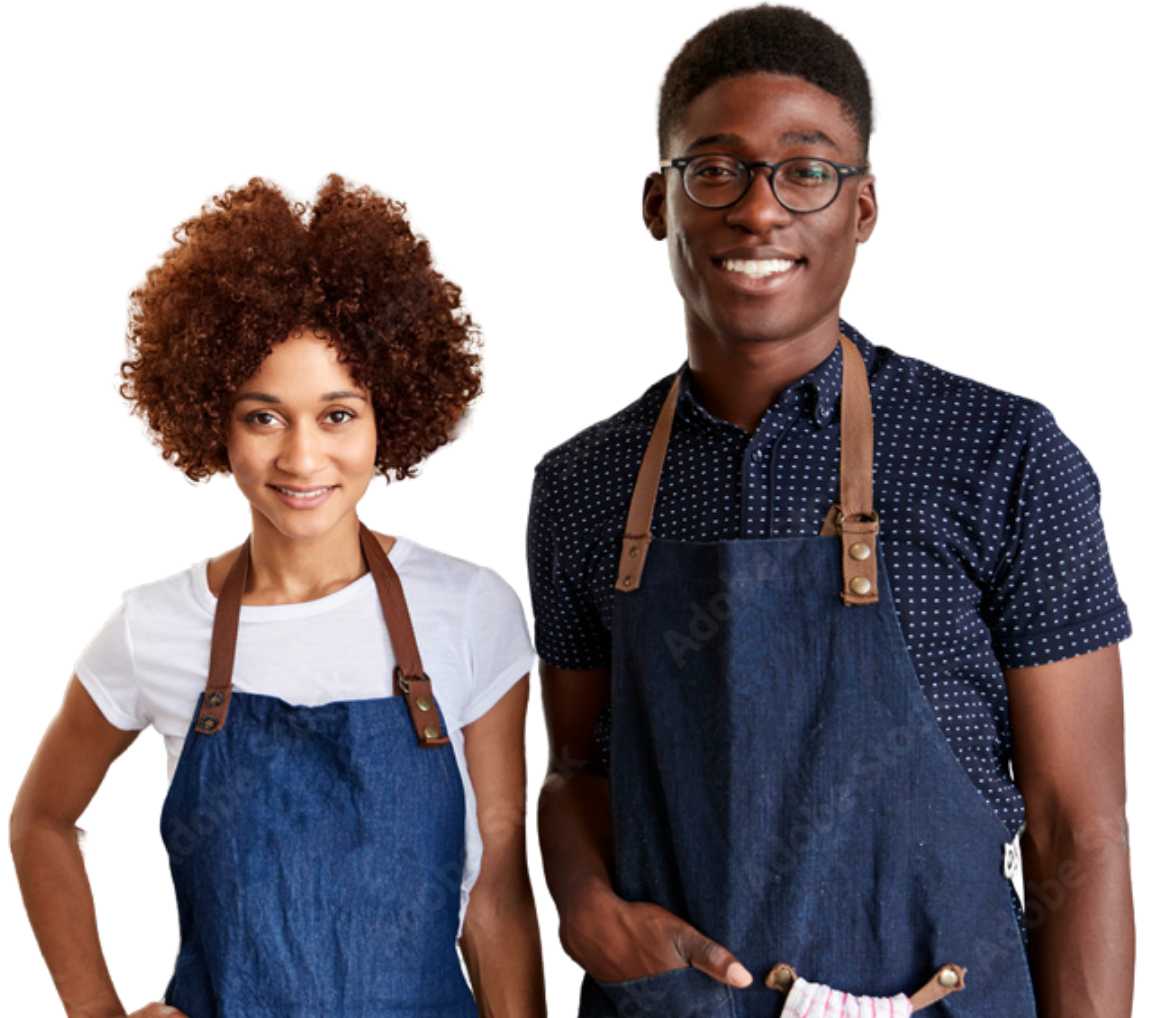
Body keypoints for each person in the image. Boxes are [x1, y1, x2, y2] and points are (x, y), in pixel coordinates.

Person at [526, 5, 1133, 1017]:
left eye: (806, 171)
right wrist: (584, 900)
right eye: (713, 169)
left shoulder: (1006, 453)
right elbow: (573, 768)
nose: (758, 211)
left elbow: (1080, 829)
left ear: (864, 209)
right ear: (655, 203)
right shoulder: (581, 481)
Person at [11, 172, 545, 1017]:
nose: (301, 459)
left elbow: (498, 894)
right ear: (213, 422)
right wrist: (96, 1012)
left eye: (338, 414)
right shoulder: (156, 625)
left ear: (390, 421)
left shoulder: (473, 607)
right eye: (264, 416)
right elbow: (41, 820)